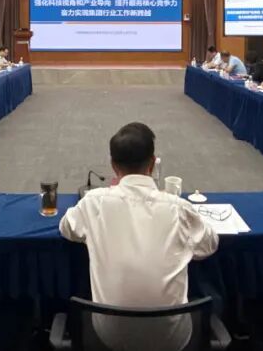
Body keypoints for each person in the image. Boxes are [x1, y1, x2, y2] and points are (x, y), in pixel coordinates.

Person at [60, 123, 218, 351]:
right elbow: (209, 245)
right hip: (171, 339)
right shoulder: (178, 209)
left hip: (109, 337)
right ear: (153, 163)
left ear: (113, 166)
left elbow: (67, 228)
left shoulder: (93, 203)